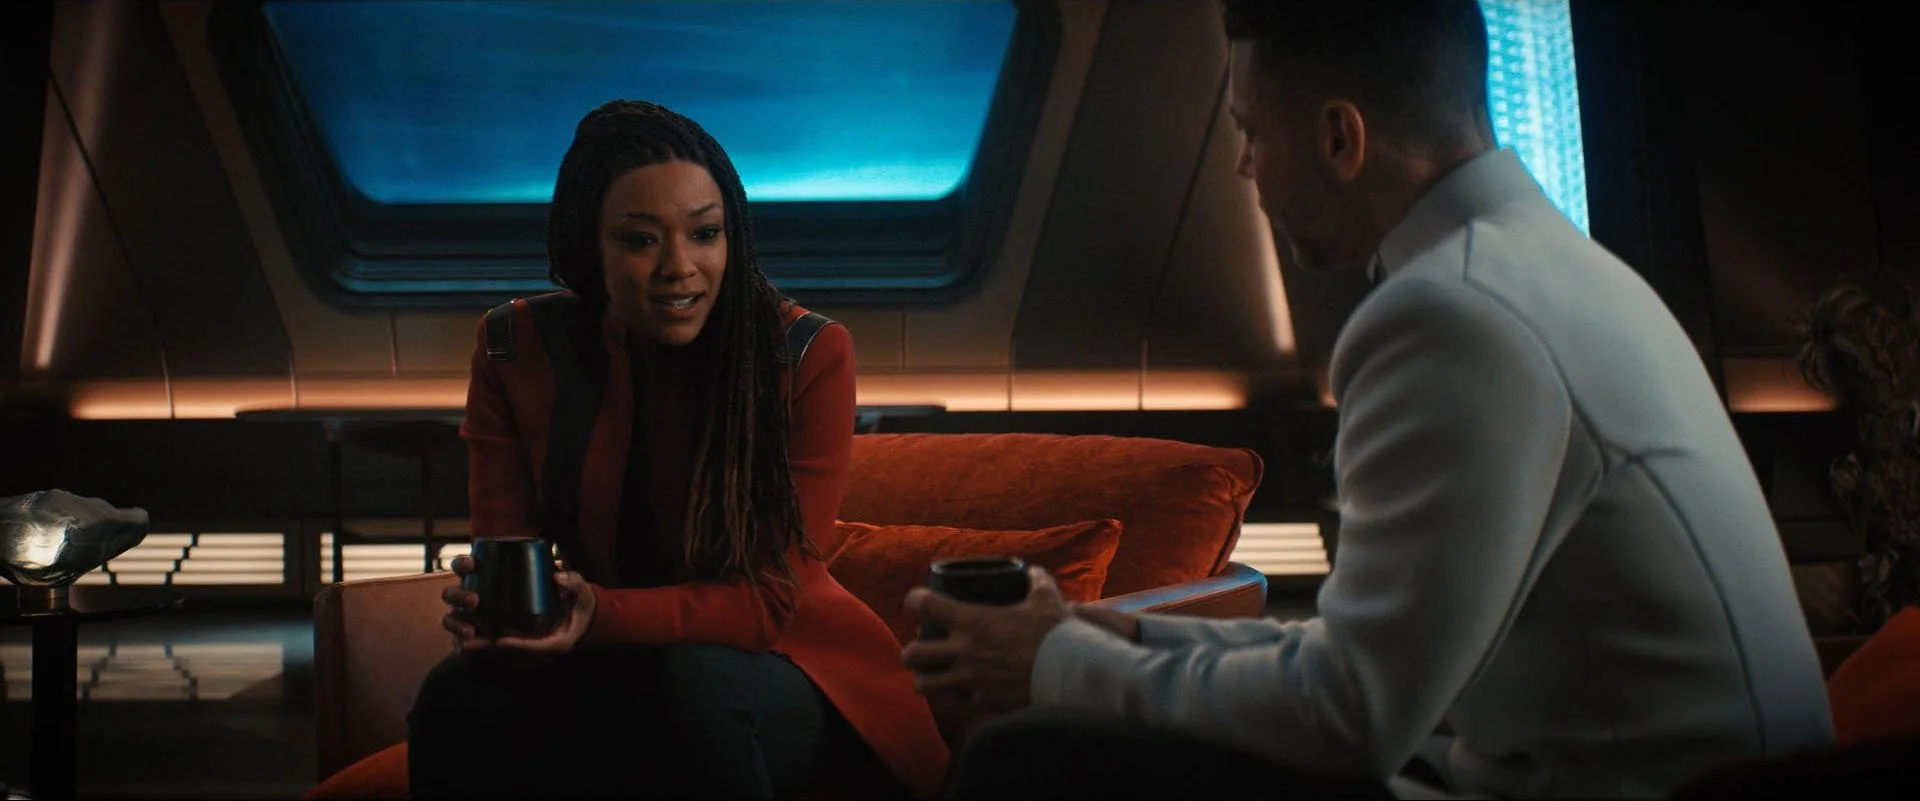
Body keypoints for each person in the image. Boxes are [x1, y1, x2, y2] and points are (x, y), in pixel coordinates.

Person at [900, 1, 1835, 798]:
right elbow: (1371, 654)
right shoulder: (1550, 268)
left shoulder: (1451, 315)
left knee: (1028, 757)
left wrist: (1050, 661)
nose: (1244, 168)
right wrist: (1117, 634)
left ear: (1341, 139)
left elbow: (1350, 716)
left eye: (1250, 133)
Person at [407, 100, 949, 799]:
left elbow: (767, 601)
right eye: (640, 240)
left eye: (705, 233)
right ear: (590, 247)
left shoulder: (804, 353)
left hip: (789, 666)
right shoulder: (515, 348)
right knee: (459, 693)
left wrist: (598, 614)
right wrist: (504, 612)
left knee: (693, 684)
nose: (679, 267)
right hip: (613, 662)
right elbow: (510, 546)